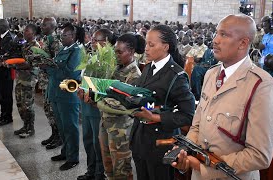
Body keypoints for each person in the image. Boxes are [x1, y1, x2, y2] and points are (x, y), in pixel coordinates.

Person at [171, 14, 273, 180]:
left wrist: (205, 165)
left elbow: (260, 155)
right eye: (216, 33)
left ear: (243, 43)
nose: (215, 40)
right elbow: (197, 125)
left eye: (224, 35)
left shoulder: (260, 85)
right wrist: (184, 151)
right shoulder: (211, 74)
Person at [130, 25, 195, 180]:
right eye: (146, 43)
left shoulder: (176, 75)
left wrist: (155, 118)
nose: (146, 48)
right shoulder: (148, 67)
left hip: (161, 143)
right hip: (140, 139)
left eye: (151, 45)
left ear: (166, 47)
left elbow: (188, 115)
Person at [98, 33, 144, 180]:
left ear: (130, 52)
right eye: (115, 51)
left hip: (121, 129)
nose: (116, 55)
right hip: (106, 122)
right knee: (108, 166)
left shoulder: (135, 75)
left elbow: (125, 104)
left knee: (122, 169)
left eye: (120, 52)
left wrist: (99, 100)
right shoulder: (115, 69)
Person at [76, 29, 114, 180]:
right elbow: (84, 78)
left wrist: (89, 90)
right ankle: (90, 171)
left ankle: (100, 173)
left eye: (97, 40)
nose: (93, 43)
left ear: (107, 43)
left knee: (98, 143)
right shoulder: (91, 57)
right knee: (87, 139)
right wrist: (80, 88)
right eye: (92, 39)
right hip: (86, 106)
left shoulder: (110, 61)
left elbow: (108, 85)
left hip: (98, 107)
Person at [47, 23, 84, 171]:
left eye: (64, 35)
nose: (61, 37)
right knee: (62, 127)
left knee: (70, 127)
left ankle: (73, 158)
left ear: (73, 36)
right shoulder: (64, 49)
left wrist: (49, 68)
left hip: (68, 96)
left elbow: (71, 74)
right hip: (56, 93)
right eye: (60, 35)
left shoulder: (78, 52)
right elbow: (58, 67)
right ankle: (65, 152)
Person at [39, 17, 62, 149]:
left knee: (53, 110)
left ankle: (59, 137)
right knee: (48, 110)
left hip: (51, 81)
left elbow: (57, 63)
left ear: (51, 26)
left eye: (44, 25)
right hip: (44, 80)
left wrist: (45, 63)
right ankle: (53, 134)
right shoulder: (46, 39)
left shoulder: (56, 41)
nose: (41, 27)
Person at [13, 24, 40, 138]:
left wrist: (14, 64)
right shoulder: (25, 45)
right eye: (24, 30)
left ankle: (30, 129)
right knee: (20, 103)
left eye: (27, 31)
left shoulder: (35, 46)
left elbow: (29, 64)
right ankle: (25, 125)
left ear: (33, 33)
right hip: (20, 78)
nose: (24, 32)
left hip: (29, 79)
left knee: (27, 105)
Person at [0, 19, 15, 126]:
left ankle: (8, 117)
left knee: (7, 95)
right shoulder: (1, 36)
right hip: (0, 70)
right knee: (0, 93)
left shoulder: (9, 38)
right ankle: (3, 114)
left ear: (2, 27)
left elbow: (3, 54)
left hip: (7, 72)